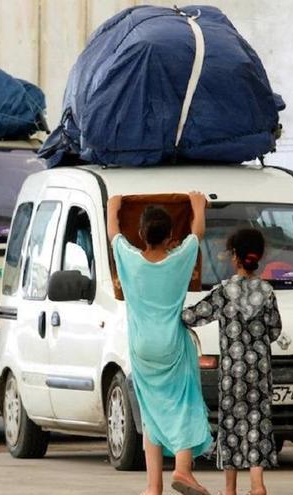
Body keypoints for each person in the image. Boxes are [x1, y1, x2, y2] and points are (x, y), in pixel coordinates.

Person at [109, 192, 213, 495]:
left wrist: (114, 205)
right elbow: (197, 232)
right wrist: (196, 205)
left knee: (151, 409)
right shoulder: (179, 261)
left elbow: (113, 232)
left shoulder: (129, 259)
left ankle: (153, 486)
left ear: (141, 234)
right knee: (184, 405)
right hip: (172, 345)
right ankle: (183, 470)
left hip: (141, 348)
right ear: (170, 236)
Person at [182, 228, 283, 495]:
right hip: (260, 371)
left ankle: (230, 489)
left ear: (235, 257)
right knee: (257, 422)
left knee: (231, 424)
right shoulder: (268, 291)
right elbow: (275, 330)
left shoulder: (224, 292)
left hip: (231, 373)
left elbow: (193, 316)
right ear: (258, 256)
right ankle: (258, 485)